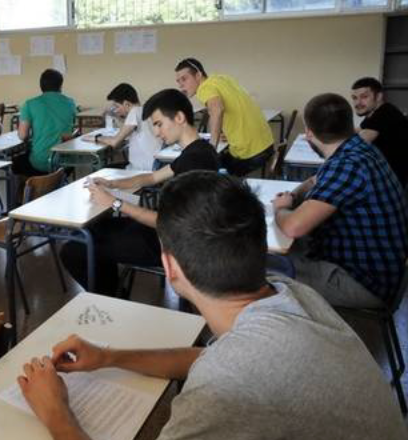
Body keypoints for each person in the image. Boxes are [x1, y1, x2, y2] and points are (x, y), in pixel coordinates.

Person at [20, 171, 408, 440]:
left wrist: (55, 412)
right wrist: (109, 357)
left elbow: (225, 369)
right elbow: (209, 358)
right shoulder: (290, 293)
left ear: (170, 267)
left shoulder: (225, 386)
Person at [60, 89, 218, 295]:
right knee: (94, 229)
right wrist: (112, 184)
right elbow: (151, 178)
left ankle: (110, 296)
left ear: (179, 117)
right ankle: (113, 292)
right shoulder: (197, 151)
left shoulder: (195, 160)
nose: (157, 133)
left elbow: (169, 222)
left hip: (170, 245)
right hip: (166, 236)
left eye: (159, 124)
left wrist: (114, 203)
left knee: (74, 249)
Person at [272, 93, 408, 309]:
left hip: (363, 284)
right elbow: (315, 179)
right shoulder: (358, 148)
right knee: (289, 249)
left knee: (264, 267)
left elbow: (293, 227)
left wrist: (281, 209)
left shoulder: (347, 165)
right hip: (381, 272)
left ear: (309, 132)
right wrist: (294, 196)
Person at [175, 58, 274, 176]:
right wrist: (230, 133)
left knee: (205, 172)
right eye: (178, 81)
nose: (181, 85)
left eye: (184, 79)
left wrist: (211, 148)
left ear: (198, 75)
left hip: (251, 151)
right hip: (266, 143)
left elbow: (217, 110)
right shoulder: (221, 79)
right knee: (218, 165)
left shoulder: (204, 88)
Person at [16, 69, 76, 177]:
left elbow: (23, 135)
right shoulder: (70, 102)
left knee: (15, 162)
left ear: (41, 86)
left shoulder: (30, 104)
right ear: (60, 86)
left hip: (41, 162)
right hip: (67, 162)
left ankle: (32, 186)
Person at [351, 77, 408, 186]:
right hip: (382, 175)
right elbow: (358, 130)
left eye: (364, 97)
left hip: (390, 182)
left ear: (378, 97)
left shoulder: (385, 113)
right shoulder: (374, 114)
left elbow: (357, 144)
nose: (358, 102)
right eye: (354, 98)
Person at [92, 83, 162, 171]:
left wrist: (96, 138)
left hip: (141, 169)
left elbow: (114, 142)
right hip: (154, 166)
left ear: (126, 104)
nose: (116, 110)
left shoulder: (134, 112)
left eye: (117, 106)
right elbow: (127, 129)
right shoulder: (144, 110)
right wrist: (116, 116)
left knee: (103, 170)